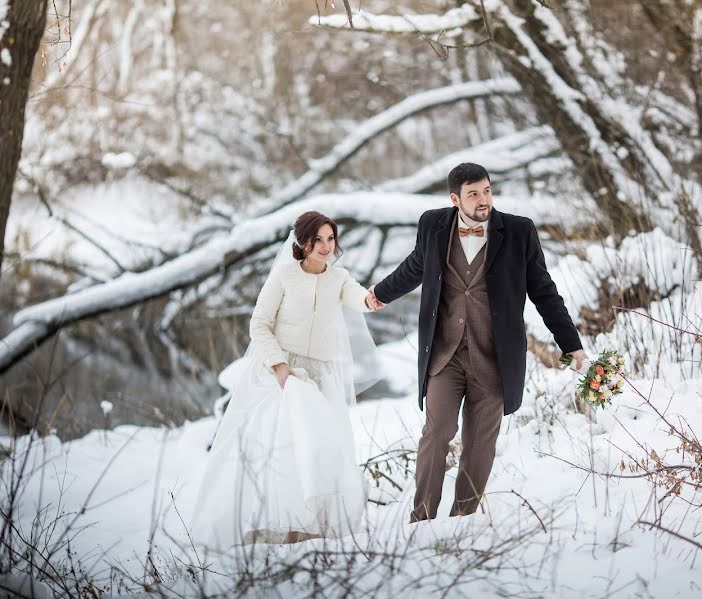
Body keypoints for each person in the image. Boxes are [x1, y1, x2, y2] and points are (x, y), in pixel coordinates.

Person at [370, 162, 587, 522]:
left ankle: (463, 519)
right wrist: (380, 294)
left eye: (486, 190)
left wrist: (570, 343)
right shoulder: (433, 225)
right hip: (445, 354)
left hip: (494, 356)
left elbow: (544, 293)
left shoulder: (519, 231)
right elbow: (415, 266)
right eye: (473, 194)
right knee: (437, 432)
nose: (483, 199)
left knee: (479, 443)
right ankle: (421, 518)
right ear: (455, 199)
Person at [191, 211, 382, 547]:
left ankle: (314, 524)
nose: (325, 246)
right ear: (302, 242)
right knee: (280, 449)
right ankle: (269, 523)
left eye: (330, 239)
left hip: (320, 377)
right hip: (281, 375)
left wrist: (372, 298)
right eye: (317, 239)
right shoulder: (283, 276)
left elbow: (358, 297)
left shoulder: (338, 278)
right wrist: (279, 365)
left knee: (320, 447)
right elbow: (259, 324)